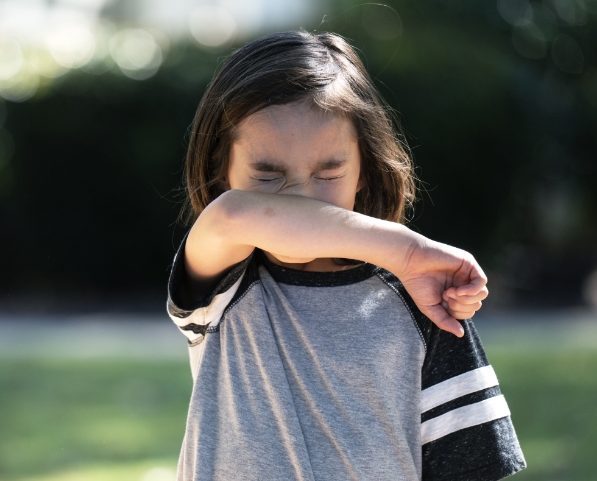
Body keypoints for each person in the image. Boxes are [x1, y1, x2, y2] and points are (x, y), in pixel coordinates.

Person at [166, 30, 526, 480]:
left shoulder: (423, 305)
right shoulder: (221, 290)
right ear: (222, 175)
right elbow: (233, 218)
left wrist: (406, 266)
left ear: (364, 171)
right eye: (267, 176)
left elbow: (466, 466)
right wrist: (408, 252)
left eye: (328, 172)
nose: (301, 197)